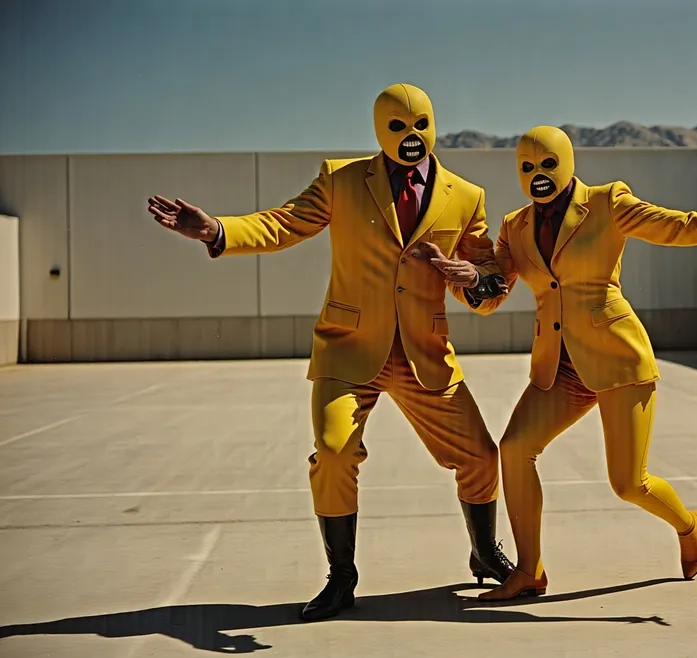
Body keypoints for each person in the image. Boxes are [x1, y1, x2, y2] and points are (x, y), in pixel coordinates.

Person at [146, 83, 513, 620]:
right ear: (377, 130)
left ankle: (484, 551)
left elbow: (486, 277)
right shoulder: (341, 179)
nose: (411, 137)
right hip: (349, 350)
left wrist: (476, 279)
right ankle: (342, 578)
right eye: (397, 128)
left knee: (482, 456)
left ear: (433, 125)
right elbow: (284, 222)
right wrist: (219, 230)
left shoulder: (466, 195)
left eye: (419, 126)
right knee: (335, 453)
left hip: (424, 353)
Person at [452, 125, 697, 601]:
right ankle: (529, 570)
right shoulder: (515, 227)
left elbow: (682, 227)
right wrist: (474, 281)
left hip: (617, 361)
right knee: (515, 449)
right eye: (527, 168)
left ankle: (690, 525)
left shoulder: (608, 203)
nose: (538, 175)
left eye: (548, 163)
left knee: (629, 484)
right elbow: (494, 286)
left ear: (567, 162)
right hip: (559, 367)